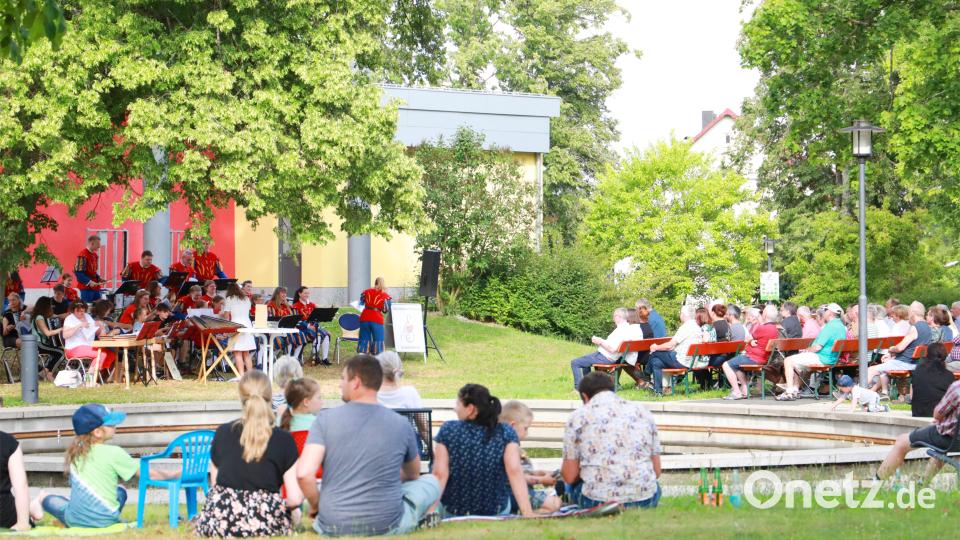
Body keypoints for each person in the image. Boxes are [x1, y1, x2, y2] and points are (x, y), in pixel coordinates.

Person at [297, 355, 441, 535]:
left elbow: (304, 474)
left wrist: (317, 506)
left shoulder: (324, 420)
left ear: (356, 382)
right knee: (430, 482)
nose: (340, 384)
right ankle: (426, 516)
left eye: (343, 378)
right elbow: (413, 473)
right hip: (387, 524)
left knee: (314, 490)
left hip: (333, 523)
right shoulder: (401, 424)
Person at [194, 371, 303, 537]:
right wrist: (279, 506)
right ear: (270, 397)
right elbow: (295, 498)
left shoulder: (222, 433)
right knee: (296, 514)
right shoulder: (284, 440)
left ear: (241, 396)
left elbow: (216, 485)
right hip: (265, 521)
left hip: (222, 519)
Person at [36, 404, 176, 527]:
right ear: (97, 432)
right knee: (120, 491)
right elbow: (149, 474)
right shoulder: (114, 453)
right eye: (110, 424)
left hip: (74, 520)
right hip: (106, 520)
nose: (115, 426)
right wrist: (176, 473)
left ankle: (41, 499)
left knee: (57, 503)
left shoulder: (75, 453)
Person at [562, 372, 661, 509]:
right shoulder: (643, 412)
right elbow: (656, 471)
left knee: (567, 484)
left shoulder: (577, 417)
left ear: (585, 396)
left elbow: (569, 476)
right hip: (646, 499)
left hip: (596, 501)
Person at [433, 383, 533, 517]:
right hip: (497, 511)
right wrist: (528, 513)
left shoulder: (448, 430)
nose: (454, 409)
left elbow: (440, 474)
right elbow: (514, 471)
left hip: (453, 511)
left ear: (470, 409)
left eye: (458, 404)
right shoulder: (506, 432)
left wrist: (430, 512)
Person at [877, 379, 960, 482]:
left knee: (902, 441)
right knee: (940, 449)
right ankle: (923, 483)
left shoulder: (957, 387)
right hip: (954, 440)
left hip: (950, 438)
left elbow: (937, 414)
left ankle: (877, 482)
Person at [499, 401, 562, 513]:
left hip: (517, 491)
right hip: (512, 493)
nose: (527, 433)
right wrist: (541, 480)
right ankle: (526, 513)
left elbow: (521, 471)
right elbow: (513, 477)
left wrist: (536, 473)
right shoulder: (508, 448)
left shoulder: (505, 445)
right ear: (512, 426)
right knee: (555, 503)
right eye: (525, 428)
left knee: (555, 501)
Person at [776, 303, 847, 401]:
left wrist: (807, 350)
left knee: (788, 360)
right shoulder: (841, 326)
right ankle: (795, 389)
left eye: (825, 310)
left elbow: (817, 347)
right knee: (799, 364)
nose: (824, 312)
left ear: (830, 313)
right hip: (831, 358)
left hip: (822, 358)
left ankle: (789, 392)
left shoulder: (830, 326)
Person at [868, 301, 932, 396]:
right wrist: (892, 355)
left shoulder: (915, 328)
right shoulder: (928, 328)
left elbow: (899, 348)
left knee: (870, 370)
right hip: (916, 362)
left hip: (905, 363)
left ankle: (861, 395)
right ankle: (877, 392)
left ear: (912, 313)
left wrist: (891, 349)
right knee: (885, 367)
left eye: (909, 313)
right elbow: (912, 348)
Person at [569, 307, 642, 390]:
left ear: (618, 317)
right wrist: (601, 340)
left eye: (614, 316)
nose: (613, 319)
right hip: (606, 355)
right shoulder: (627, 328)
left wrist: (600, 342)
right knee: (584, 363)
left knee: (575, 363)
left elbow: (612, 349)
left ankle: (578, 388)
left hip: (606, 357)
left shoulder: (621, 331)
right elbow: (613, 345)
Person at [722, 304, 779, 400]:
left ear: (765, 315)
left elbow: (747, 338)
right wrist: (751, 341)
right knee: (735, 365)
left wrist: (750, 341)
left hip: (753, 358)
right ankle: (745, 390)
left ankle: (736, 392)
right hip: (762, 358)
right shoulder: (774, 329)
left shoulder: (762, 328)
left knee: (726, 365)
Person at [647, 305, 702, 396]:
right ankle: (658, 391)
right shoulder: (697, 327)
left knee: (655, 353)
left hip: (682, 361)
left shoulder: (686, 327)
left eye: (680, 313)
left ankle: (646, 375)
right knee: (656, 362)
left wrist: (656, 347)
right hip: (693, 361)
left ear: (684, 315)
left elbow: (670, 345)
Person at [62, 302, 116, 385]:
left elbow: (98, 334)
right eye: (78, 311)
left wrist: (100, 327)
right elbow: (65, 335)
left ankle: (101, 375)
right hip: (73, 348)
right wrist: (79, 326)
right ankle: (89, 378)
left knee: (111, 354)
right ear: (73, 310)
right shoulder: (70, 319)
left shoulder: (87, 316)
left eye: (82, 311)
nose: (80, 313)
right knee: (101, 354)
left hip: (89, 346)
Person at [1, 430, 37, 530]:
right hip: (4, 515)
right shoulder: (7, 441)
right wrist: (23, 523)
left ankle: (32, 508)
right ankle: (32, 508)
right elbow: (21, 486)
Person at [911, 342, 955, 417]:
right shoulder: (949, 376)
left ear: (928, 354)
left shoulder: (918, 370)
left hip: (918, 412)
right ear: (945, 356)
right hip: (939, 415)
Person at [292, 286, 330, 366]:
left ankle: (324, 359)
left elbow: (317, 317)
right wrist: (308, 325)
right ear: (299, 294)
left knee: (326, 334)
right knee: (318, 335)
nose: (307, 295)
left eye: (308, 293)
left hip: (313, 328)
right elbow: (296, 321)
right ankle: (314, 358)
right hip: (302, 329)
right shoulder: (295, 306)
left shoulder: (312, 305)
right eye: (305, 293)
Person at [223, 282, 255, 376]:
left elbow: (226, 316)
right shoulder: (246, 299)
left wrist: (225, 328)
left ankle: (241, 375)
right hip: (248, 325)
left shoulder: (229, 299)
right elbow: (247, 312)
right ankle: (250, 375)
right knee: (246, 353)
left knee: (237, 353)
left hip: (236, 325)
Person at [32, 297, 64, 382]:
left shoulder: (41, 316)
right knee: (61, 352)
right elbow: (47, 333)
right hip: (38, 344)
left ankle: (44, 372)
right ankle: (48, 374)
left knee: (56, 352)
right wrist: (62, 329)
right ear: (45, 306)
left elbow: (57, 316)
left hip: (40, 344)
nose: (52, 307)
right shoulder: (39, 318)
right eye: (50, 305)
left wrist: (69, 314)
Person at [358, 277, 392, 355]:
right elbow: (386, 310)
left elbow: (361, 303)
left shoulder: (366, 292)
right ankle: (377, 357)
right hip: (376, 319)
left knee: (364, 338)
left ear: (375, 282)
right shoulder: (385, 295)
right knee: (378, 339)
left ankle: (363, 357)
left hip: (365, 317)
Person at [74, 235, 105, 302]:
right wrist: (89, 282)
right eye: (98, 244)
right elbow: (78, 273)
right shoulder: (82, 255)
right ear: (92, 243)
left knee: (98, 306)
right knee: (88, 306)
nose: (99, 246)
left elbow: (92, 272)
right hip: (86, 289)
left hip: (95, 287)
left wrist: (99, 278)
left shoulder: (95, 255)